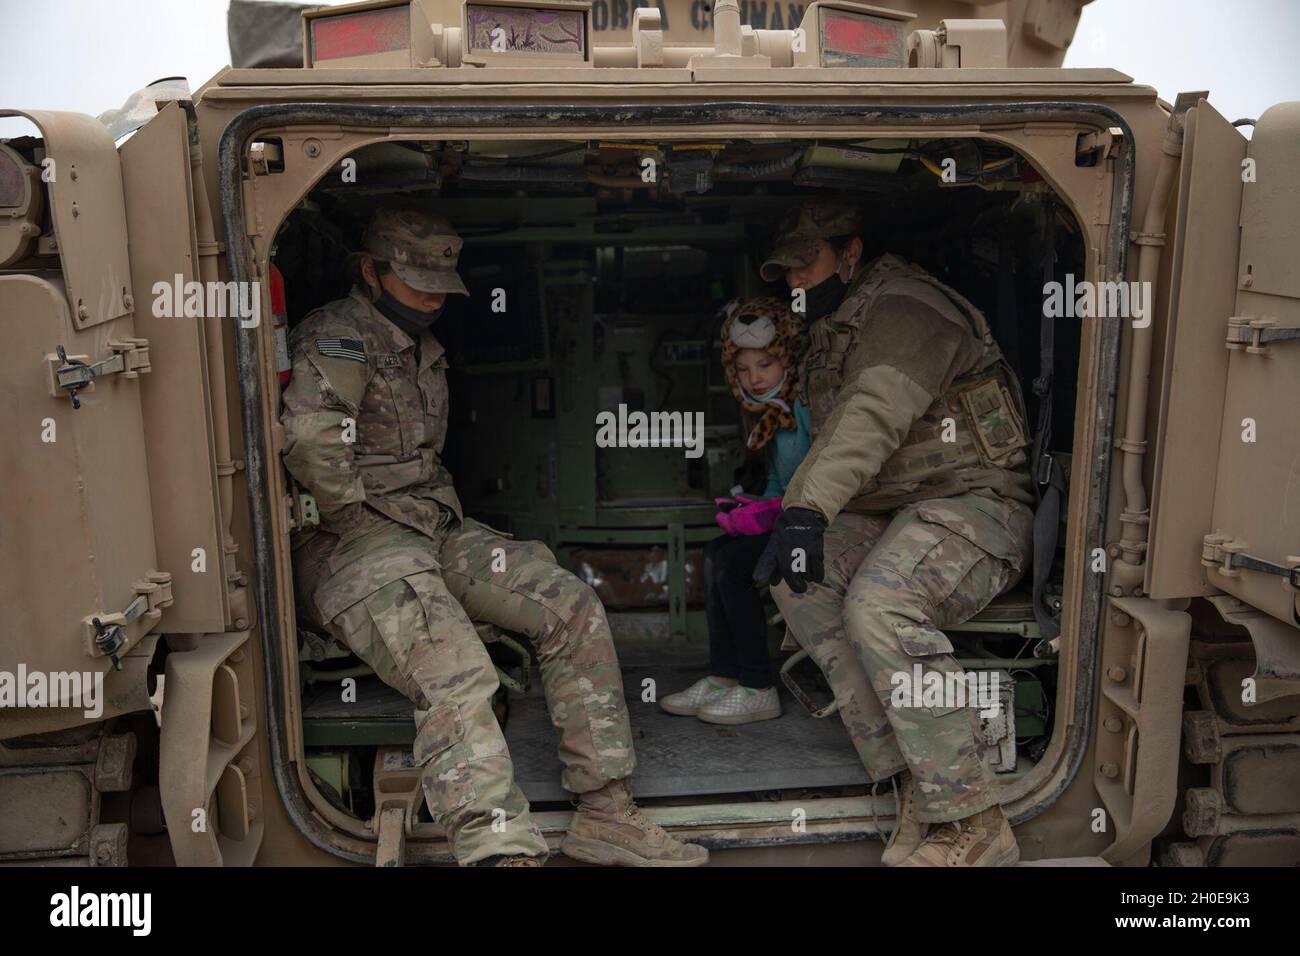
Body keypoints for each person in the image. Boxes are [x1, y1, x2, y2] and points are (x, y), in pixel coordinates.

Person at [281, 204, 708, 868]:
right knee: (452, 666)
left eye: (440, 287)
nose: (433, 299)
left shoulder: (421, 346)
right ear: (369, 272)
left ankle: (605, 813)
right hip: (351, 542)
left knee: (570, 606)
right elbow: (312, 445)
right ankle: (497, 847)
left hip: (430, 529)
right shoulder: (340, 336)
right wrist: (360, 523)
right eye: (418, 284)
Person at [755, 199, 1034, 867]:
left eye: (806, 263)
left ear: (851, 252)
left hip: (978, 505)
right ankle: (914, 780)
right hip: (898, 509)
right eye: (786, 270)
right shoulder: (839, 321)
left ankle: (974, 818)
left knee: (880, 605)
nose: (795, 280)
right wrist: (796, 522)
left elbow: (870, 415)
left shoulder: (909, 307)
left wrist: (807, 512)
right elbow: (836, 442)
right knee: (799, 581)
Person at [660, 296, 811, 725]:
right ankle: (724, 676)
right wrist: (753, 508)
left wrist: (777, 512)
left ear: (785, 359)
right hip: (790, 514)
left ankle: (758, 686)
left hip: (821, 522)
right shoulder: (767, 413)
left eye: (764, 365)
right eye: (743, 369)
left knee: (734, 565)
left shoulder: (807, 404)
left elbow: (825, 475)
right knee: (714, 554)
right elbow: (780, 479)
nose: (754, 378)